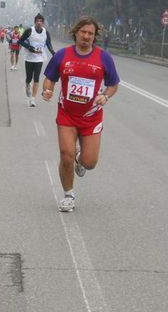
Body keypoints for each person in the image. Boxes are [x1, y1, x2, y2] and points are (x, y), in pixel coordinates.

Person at [41, 16, 120, 212]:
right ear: (75, 32)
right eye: (83, 32)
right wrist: (47, 90)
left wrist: (106, 96)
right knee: (65, 154)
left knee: (89, 162)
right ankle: (69, 195)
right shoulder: (62, 55)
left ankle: (80, 159)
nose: (86, 36)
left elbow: (113, 84)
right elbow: (49, 78)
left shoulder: (104, 58)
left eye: (90, 34)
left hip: (91, 116)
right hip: (67, 114)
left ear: (94, 37)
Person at [19, 13, 56, 107]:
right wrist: (29, 47)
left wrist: (54, 53)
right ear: (35, 22)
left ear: (43, 23)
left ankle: (33, 99)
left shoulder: (45, 32)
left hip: (39, 58)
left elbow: (48, 44)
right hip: (29, 57)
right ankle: (27, 84)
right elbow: (20, 41)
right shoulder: (29, 30)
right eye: (37, 21)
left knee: (36, 78)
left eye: (41, 21)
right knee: (29, 77)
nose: (39, 23)